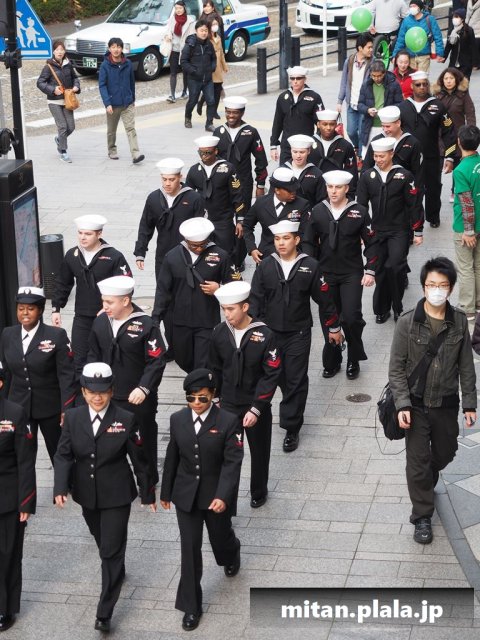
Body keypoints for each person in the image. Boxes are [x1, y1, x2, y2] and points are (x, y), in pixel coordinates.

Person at [54, 362, 156, 632]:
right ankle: (116, 567)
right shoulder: (73, 417)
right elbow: (63, 454)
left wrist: (147, 493)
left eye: (102, 392)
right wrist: (60, 487)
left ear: (111, 391)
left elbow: (140, 459)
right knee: (102, 541)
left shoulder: (126, 419)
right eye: (91, 392)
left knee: (110, 551)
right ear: (83, 392)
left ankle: (104, 612)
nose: (97, 397)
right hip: (86, 494)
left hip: (117, 494)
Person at [389, 257, 477, 545]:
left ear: (450, 288)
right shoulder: (407, 322)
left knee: (445, 452)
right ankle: (422, 516)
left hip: (446, 403)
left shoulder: (459, 321)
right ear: (423, 286)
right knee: (417, 462)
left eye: (442, 285)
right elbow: (396, 368)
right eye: (431, 285)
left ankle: (427, 478)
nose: (436, 290)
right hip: (415, 404)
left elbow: (466, 366)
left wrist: (470, 404)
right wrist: (402, 404)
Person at [249, 220, 343, 452]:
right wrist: (253, 329)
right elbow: (255, 300)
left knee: (295, 379)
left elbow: (325, 300)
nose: (281, 243)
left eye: (286, 238)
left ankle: (291, 427)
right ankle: (282, 407)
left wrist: (333, 327)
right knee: (277, 375)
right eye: (277, 239)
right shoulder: (265, 265)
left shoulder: (310, 265)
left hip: (298, 333)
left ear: (297, 239)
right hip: (270, 333)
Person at [160, 368, 242, 632]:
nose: (196, 403)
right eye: (191, 398)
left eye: (202, 398)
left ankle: (232, 552)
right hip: (186, 496)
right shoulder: (177, 419)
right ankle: (191, 606)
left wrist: (223, 495)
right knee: (189, 549)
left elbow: (232, 462)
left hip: (215, 495)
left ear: (213, 395)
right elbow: (172, 455)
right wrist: (165, 492)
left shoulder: (228, 421)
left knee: (220, 538)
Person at [88, 276, 166, 485]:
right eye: (103, 301)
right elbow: (93, 354)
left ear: (125, 301)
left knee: (142, 442)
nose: (105, 306)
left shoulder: (146, 325)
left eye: (109, 302)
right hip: (108, 395)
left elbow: (156, 360)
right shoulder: (100, 321)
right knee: (109, 442)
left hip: (137, 398)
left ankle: (148, 482)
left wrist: (144, 387)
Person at [210, 281, 281, 508]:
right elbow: (214, 368)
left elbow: (271, 374)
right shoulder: (219, 332)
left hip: (254, 404)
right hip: (228, 405)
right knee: (229, 455)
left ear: (245, 307)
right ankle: (226, 501)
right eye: (224, 309)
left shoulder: (265, 334)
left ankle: (259, 491)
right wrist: (216, 398)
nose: (226, 314)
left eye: (231, 309)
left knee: (259, 452)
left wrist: (257, 408)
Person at [304, 170, 377, 379]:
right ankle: (333, 359)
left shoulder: (359, 211)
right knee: (329, 318)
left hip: (351, 273)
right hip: (325, 274)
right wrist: (310, 268)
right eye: (330, 187)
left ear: (346, 189)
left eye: (338, 187)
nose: (333, 191)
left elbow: (372, 242)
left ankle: (353, 357)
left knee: (352, 317)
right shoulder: (317, 211)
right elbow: (308, 241)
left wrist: (370, 270)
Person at [0, 287, 77, 465]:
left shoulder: (56, 336)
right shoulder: (8, 334)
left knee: (60, 454)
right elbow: (6, 374)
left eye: (31, 308)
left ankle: (67, 482)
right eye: (21, 308)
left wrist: (66, 409)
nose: (25, 313)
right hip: (19, 407)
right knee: (22, 458)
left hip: (50, 408)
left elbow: (66, 376)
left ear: (40, 310)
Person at [152, 218, 240, 373]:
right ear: (186, 241)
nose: (199, 249)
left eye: (202, 245)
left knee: (203, 363)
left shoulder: (221, 255)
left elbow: (237, 286)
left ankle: (200, 384)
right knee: (182, 359)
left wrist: (219, 288)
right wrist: (155, 318)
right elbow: (162, 290)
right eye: (194, 246)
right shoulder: (172, 257)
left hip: (206, 320)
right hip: (180, 320)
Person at [51, 214, 132, 378]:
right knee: (79, 359)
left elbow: (126, 284)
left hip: (108, 316)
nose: (82, 237)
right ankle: (82, 390)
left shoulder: (114, 256)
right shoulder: (72, 255)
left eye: (88, 234)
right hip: (81, 317)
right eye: (80, 233)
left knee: (107, 357)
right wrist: (56, 308)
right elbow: (62, 282)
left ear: (99, 234)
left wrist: (110, 307)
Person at [356, 137, 423, 323]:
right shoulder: (367, 176)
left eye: (382, 156)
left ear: (391, 154)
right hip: (377, 232)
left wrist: (418, 230)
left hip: (399, 231)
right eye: (376, 156)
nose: (378, 159)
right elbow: (361, 207)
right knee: (380, 270)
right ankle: (381, 309)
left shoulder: (404, 175)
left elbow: (414, 204)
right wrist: (360, 231)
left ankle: (397, 306)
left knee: (395, 267)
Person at [0, 367, 36, 633]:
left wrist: (26, 501)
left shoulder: (14, 413)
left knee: (8, 554)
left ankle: (5, 607)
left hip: (7, 497)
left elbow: (25, 460)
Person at [214, 96, 268, 269]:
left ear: (242, 113)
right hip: (222, 185)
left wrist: (260, 185)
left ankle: (238, 258)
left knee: (242, 221)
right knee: (224, 221)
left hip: (243, 184)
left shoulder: (250, 132)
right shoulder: (218, 132)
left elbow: (261, 160)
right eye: (228, 112)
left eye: (235, 113)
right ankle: (225, 254)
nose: (231, 116)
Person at [399, 70, 459, 227]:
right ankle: (413, 219)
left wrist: (450, 156)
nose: (422, 87)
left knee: (433, 189)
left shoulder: (438, 106)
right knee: (411, 190)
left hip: (432, 156)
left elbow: (449, 131)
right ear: (412, 86)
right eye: (418, 84)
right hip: (408, 158)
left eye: (425, 84)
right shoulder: (403, 107)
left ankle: (433, 217)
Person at [134, 157, 207, 280]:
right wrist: (140, 253)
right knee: (162, 287)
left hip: (187, 255)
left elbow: (202, 229)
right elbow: (145, 226)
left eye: (172, 179)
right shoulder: (153, 198)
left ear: (180, 177)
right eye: (164, 179)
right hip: (163, 254)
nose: (167, 183)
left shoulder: (194, 198)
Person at [185, 135, 245, 258]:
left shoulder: (228, 168)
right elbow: (187, 195)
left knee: (226, 252)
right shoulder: (194, 170)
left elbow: (237, 194)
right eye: (201, 153)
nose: (204, 156)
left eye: (208, 152)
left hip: (223, 220)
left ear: (216, 151)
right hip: (202, 219)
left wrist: (240, 219)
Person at [242, 167, 311, 264]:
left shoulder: (302, 205)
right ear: (277, 190)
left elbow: (306, 236)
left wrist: (306, 260)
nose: (293, 192)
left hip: (292, 257)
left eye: (295, 189)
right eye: (289, 190)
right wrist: (252, 248)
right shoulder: (261, 203)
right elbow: (246, 226)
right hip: (266, 257)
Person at [432, 67, 476, 201]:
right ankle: (434, 191)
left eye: (451, 78)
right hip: (440, 135)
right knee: (438, 163)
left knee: (457, 164)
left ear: (456, 79)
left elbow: (470, 113)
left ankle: (455, 190)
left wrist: (471, 132)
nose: (448, 81)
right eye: (446, 78)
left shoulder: (463, 94)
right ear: (442, 80)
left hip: (457, 135)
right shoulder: (436, 95)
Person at [98, 37, 144, 163]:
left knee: (130, 128)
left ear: (122, 48)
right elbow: (102, 85)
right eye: (113, 47)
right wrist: (107, 103)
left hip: (127, 103)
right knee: (111, 130)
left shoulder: (127, 63)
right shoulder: (105, 65)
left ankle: (135, 154)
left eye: (118, 47)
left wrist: (132, 98)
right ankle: (112, 150)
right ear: (109, 49)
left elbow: (131, 82)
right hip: (112, 104)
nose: (116, 49)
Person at [36, 39, 80, 163]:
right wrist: (52, 89)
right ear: (53, 52)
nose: (60, 52)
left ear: (64, 51)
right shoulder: (48, 66)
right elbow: (40, 82)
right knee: (63, 127)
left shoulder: (68, 64)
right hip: (54, 102)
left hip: (67, 101)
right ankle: (63, 152)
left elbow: (75, 78)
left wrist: (76, 86)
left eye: (62, 49)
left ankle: (59, 139)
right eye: (57, 50)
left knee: (71, 127)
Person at [452, 125, 480, 321]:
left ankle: (467, 308)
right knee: (478, 265)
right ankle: (478, 303)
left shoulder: (461, 170)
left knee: (465, 267)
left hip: (465, 228)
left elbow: (467, 203)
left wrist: (468, 231)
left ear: (459, 142)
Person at [270, 66, 324, 164]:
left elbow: (321, 122)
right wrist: (273, 146)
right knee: (285, 173)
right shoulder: (282, 97)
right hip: (287, 147)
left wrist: (317, 141)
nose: (295, 81)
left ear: (305, 79)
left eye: (298, 78)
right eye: (292, 78)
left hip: (306, 147)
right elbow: (277, 122)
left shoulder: (314, 97)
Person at [337, 33, 374, 161]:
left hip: (365, 105)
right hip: (351, 103)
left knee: (362, 132)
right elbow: (344, 82)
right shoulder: (349, 61)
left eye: (372, 47)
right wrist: (339, 101)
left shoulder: (373, 62)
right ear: (360, 48)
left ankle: (360, 157)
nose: (371, 50)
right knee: (351, 131)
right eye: (369, 47)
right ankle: (358, 148)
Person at [362, 105, 423, 179]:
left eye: (388, 126)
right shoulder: (377, 140)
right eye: (383, 126)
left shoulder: (412, 142)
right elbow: (366, 167)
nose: (385, 130)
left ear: (398, 123)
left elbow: (418, 172)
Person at [309, 109, 358, 197]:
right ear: (318, 124)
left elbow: (352, 172)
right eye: (325, 124)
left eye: (331, 124)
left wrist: (350, 196)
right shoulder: (309, 143)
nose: (328, 128)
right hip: (313, 190)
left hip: (336, 191)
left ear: (336, 124)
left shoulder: (345, 145)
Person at [357, 60, 403, 153]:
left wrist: (386, 111)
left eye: (379, 76)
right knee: (368, 154)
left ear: (384, 73)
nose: (376, 78)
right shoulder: (366, 84)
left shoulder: (393, 84)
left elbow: (400, 104)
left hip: (388, 126)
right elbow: (360, 104)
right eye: (373, 76)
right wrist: (368, 110)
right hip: (370, 126)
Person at [181, 20, 217, 131]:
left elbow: (214, 58)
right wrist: (193, 71)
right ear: (196, 31)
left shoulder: (209, 44)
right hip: (194, 79)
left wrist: (212, 68)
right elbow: (183, 62)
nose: (204, 33)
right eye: (201, 30)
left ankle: (209, 124)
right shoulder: (190, 45)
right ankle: (188, 117)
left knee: (211, 101)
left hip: (208, 79)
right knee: (193, 101)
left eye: (206, 30)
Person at [392, 1, 445, 72]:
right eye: (410, 6)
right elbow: (400, 40)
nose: (412, 8)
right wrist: (395, 55)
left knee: (422, 77)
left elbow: (438, 37)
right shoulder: (406, 21)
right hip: (410, 56)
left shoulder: (429, 19)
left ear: (419, 7)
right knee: (411, 77)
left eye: (414, 6)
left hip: (424, 55)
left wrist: (440, 53)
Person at [282, 134, 326, 207]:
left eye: (302, 152)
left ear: (309, 151)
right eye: (295, 152)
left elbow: (321, 201)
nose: (298, 156)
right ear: (291, 151)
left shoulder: (317, 174)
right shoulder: (281, 171)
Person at [165, 0, 195, 103]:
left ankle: (184, 91)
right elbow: (168, 30)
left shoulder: (190, 20)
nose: (178, 10)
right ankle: (172, 95)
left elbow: (192, 36)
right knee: (173, 72)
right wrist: (168, 36)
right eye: (176, 8)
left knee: (185, 72)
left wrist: (188, 47)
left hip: (185, 50)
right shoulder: (172, 19)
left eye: (180, 8)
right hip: (174, 49)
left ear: (184, 8)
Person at [197, 17, 228, 119]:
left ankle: (214, 111)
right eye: (213, 24)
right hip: (210, 66)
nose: (215, 26)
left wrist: (224, 66)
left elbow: (221, 53)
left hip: (218, 67)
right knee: (210, 89)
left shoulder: (218, 37)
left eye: (216, 24)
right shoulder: (206, 39)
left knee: (218, 89)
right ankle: (201, 103)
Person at [443, 8, 479, 79]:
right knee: (453, 82)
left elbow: (473, 47)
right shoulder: (451, 31)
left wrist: (475, 63)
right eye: (453, 17)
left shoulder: (468, 30)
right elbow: (448, 46)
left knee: (463, 83)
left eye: (457, 17)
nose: (454, 19)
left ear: (462, 19)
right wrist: (443, 57)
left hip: (466, 63)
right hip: (453, 62)